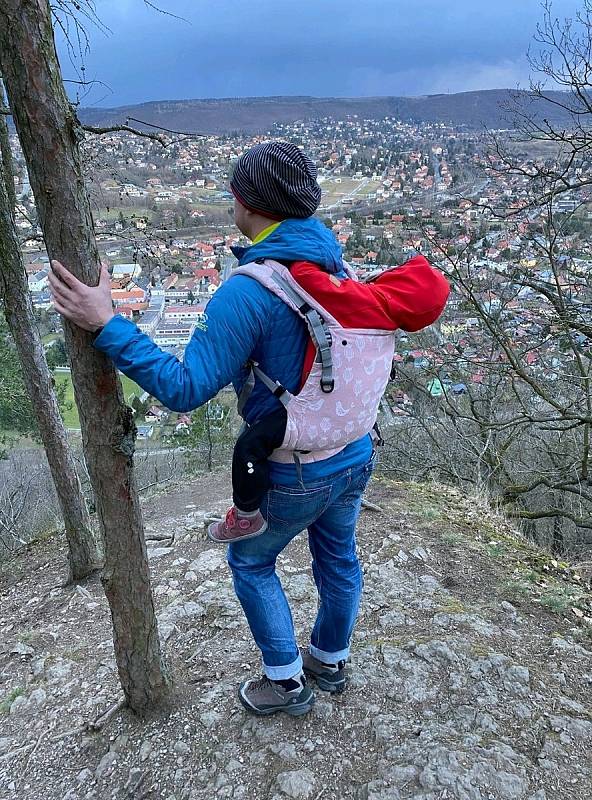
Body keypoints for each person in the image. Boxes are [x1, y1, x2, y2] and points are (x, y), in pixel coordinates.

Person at [49, 140, 448, 717]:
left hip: (292, 466)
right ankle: (329, 660)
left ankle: (285, 683)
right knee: (338, 558)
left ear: (245, 203)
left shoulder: (248, 291)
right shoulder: (338, 268)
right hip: (356, 451)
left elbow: (184, 388)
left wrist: (107, 324)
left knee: (253, 561)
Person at [209, 253, 449, 545]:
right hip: (356, 436)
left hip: (312, 421)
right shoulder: (391, 322)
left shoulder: (360, 302)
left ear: (402, 283)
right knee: (339, 554)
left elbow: (304, 275)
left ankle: (246, 517)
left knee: (249, 446)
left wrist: (286, 251)